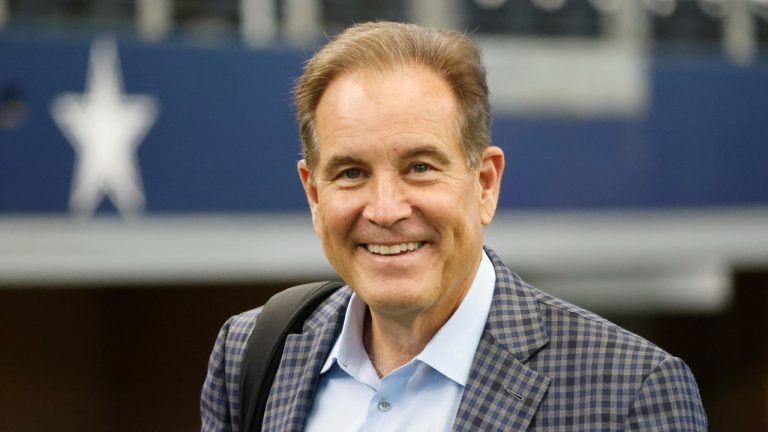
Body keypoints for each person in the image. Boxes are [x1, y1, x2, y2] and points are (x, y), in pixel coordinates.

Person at [201, 21, 707, 431]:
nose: (385, 209)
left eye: (420, 167)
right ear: (314, 193)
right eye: (351, 173)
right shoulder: (251, 355)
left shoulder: (630, 394)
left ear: (485, 184)